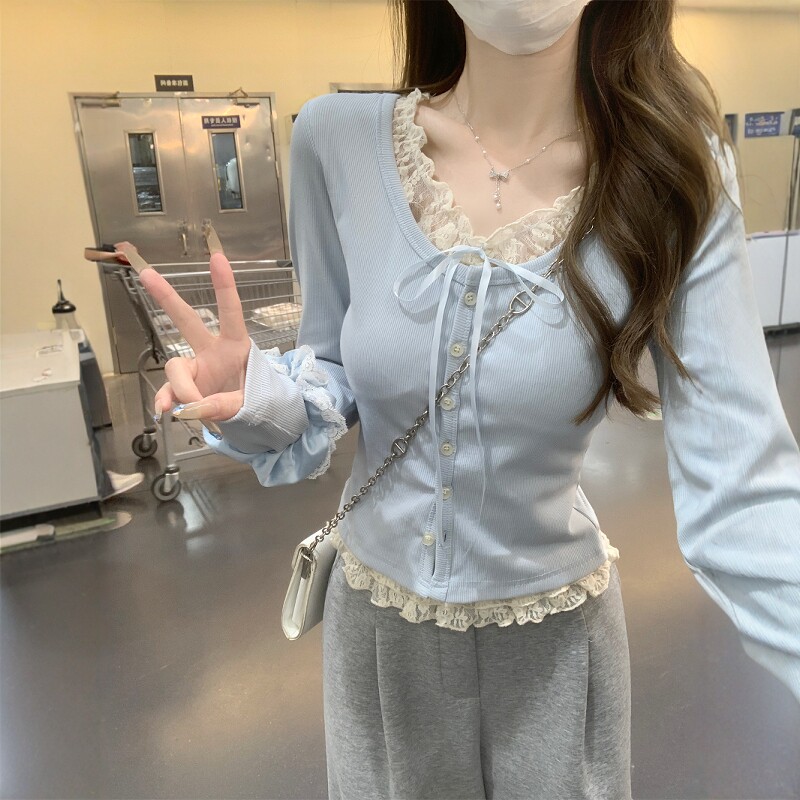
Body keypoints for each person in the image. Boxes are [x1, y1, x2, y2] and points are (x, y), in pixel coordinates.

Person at [138, 1, 800, 797]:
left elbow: (745, 487)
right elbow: (331, 366)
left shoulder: (671, 171)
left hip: (555, 640)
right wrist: (254, 398)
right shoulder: (334, 139)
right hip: (378, 629)